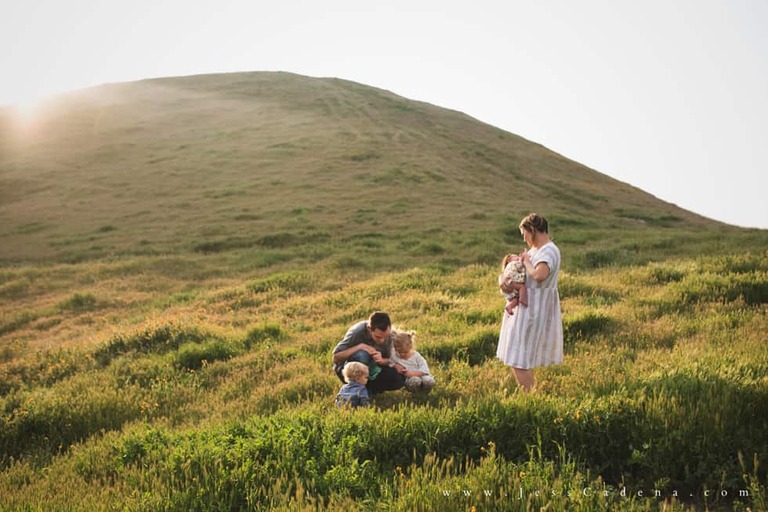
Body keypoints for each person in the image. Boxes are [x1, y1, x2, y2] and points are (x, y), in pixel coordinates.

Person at [496, 213, 563, 392]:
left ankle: (530, 396)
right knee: (518, 353)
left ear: (532, 230)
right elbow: (522, 274)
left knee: (518, 357)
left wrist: (525, 262)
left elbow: (539, 275)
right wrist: (505, 280)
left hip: (535, 307)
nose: (524, 238)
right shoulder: (535, 250)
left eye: (525, 234)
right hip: (527, 305)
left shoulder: (548, 250)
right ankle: (531, 395)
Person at [332, 311, 405, 394]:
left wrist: (382, 360)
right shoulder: (357, 332)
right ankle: (355, 390)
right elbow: (336, 357)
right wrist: (360, 346)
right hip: (349, 369)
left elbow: (391, 360)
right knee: (362, 355)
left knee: (399, 379)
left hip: (374, 369)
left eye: (385, 336)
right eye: (378, 337)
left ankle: (369, 390)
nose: (382, 340)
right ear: (369, 329)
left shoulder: (391, 334)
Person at [390, 329, 435, 394]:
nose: (402, 354)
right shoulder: (394, 354)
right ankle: (415, 393)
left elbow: (424, 368)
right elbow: (389, 362)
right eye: (399, 352)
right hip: (409, 378)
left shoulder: (416, 356)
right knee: (415, 381)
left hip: (420, 374)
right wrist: (395, 366)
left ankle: (425, 392)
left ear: (411, 347)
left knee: (428, 381)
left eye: (405, 352)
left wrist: (413, 373)